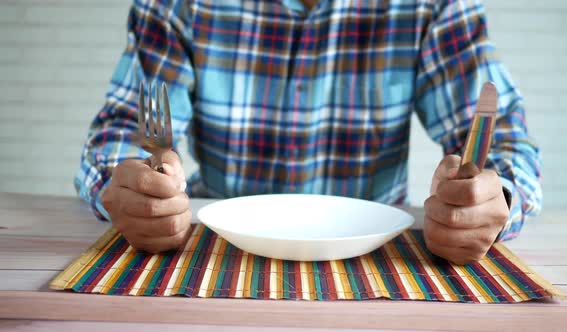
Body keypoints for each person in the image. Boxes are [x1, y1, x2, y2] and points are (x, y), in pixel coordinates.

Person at [75, 0, 542, 265]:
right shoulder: (179, 5)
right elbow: (121, 134)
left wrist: (490, 197)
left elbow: (504, 143)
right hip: (215, 250)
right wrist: (132, 185)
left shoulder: (431, 5)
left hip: (377, 253)